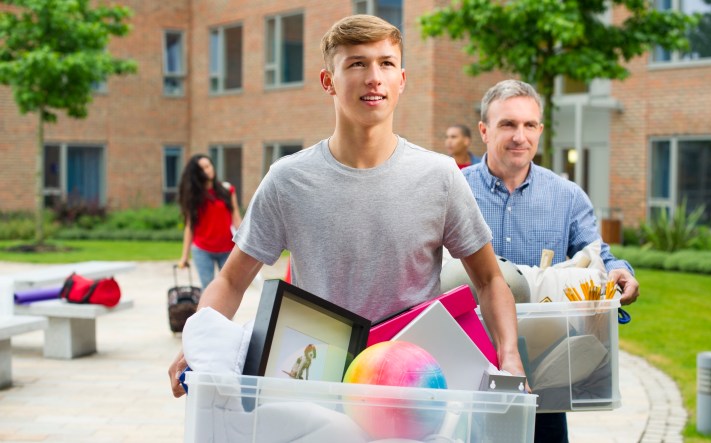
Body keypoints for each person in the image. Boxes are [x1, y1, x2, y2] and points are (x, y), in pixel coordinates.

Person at [168, 15, 526, 397]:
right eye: (357, 63)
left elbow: (489, 280)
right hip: (318, 382)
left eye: (386, 63)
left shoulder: (440, 175)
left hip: (414, 385)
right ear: (328, 81)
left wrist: (509, 355)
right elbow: (230, 279)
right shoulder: (288, 179)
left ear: (401, 80)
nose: (374, 77)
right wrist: (198, 343)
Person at [462, 79, 640, 443]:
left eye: (530, 125)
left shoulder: (567, 197)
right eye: (507, 124)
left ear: (540, 130)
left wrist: (621, 271)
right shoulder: (455, 188)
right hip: (468, 356)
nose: (519, 136)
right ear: (484, 130)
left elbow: (597, 258)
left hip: (544, 370)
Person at [177, 154, 242, 289]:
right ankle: (208, 311)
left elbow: (236, 218)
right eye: (203, 168)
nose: (208, 170)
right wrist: (184, 256)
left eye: (209, 165)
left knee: (229, 287)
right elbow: (189, 226)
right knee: (208, 287)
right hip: (202, 250)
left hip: (227, 248)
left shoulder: (227, 190)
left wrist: (245, 244)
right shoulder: (193, 196)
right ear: (197, 173)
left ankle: (225, 311)